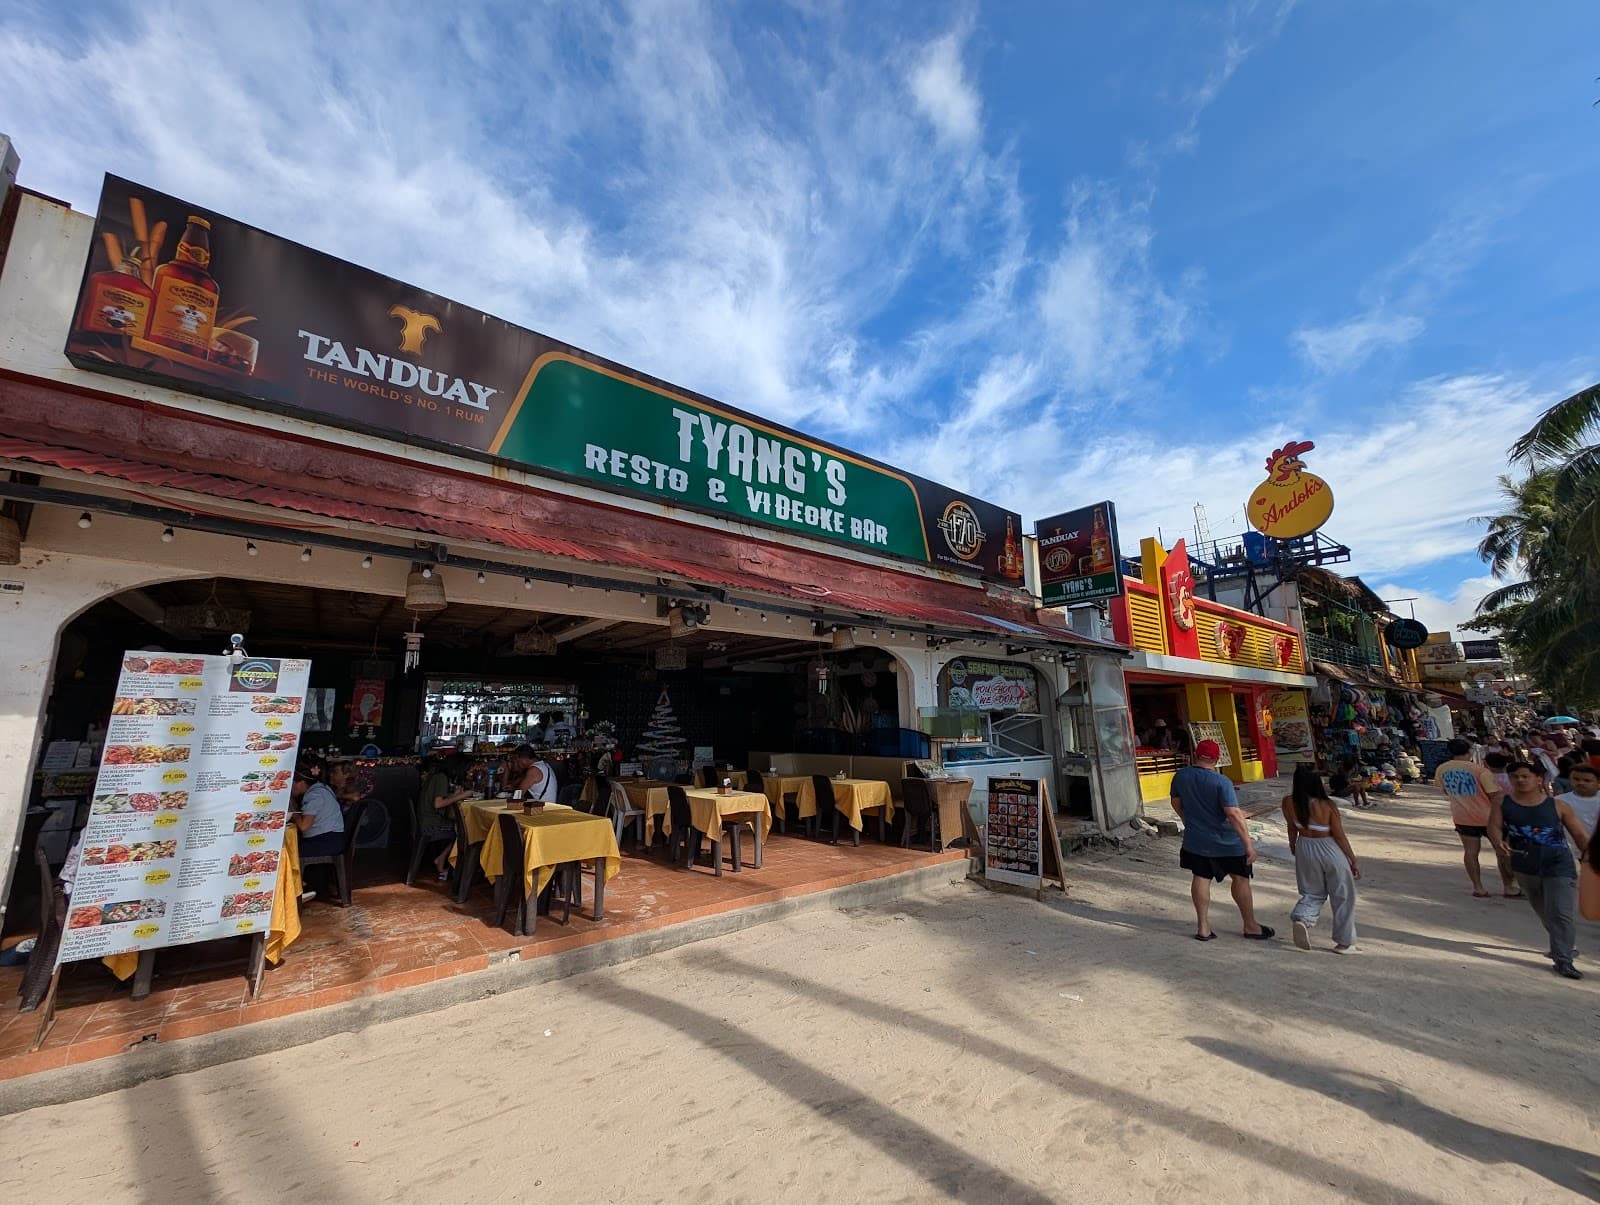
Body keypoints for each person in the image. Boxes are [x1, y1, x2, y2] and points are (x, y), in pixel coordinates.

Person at [1489, 760, 1590, 979]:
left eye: (1525, 776)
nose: (1520, 780)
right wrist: (1498, 842)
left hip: (1559, 864)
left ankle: (1563, 959)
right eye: (1515, 776)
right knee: (1545, 911)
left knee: (1561, 912)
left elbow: (1579, 835)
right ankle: (1562, 944)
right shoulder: (1502, 802)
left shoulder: (1558, 806)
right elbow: (1494, 826)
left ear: (1538, 779)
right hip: (1524, 866)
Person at [1170, 739, 1272, 942]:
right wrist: (1248, 845)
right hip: (1227, 841)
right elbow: (1233, 813)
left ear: (1195, 755)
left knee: (1201, 877)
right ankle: (1250, 925)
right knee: (1240, 878)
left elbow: (1176, 803)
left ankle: (1203, 927)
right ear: (1217, 759)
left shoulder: (1181, 776)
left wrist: (1188, 821)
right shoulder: (1221, 782)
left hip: (1197, 840)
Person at [1281, 767, 1360, 952]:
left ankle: (1303, 918)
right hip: (1328, 847)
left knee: (1311, 891)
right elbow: (1339, 835)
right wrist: (1352, 859)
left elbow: (1291, 828)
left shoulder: (1288, 802)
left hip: (1304, 846)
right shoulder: (1327, 805)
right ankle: (1344, 942)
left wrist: (1293, 846)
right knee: (1343, 894)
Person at [1436, 736, 1519, 898]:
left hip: (1462, 817)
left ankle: (1478, 887)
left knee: (1470, 852)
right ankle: (1509, 886)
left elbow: (1445, 790)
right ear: (1470, 751)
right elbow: (1495, 795)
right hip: (1489, 817)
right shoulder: (1480, 771)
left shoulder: (1442, 769)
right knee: (1502, 851)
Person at [416, 752, 473, 880]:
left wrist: (454, 795)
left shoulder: (436, 775)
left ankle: (443, 859)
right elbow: (438, 804)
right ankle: (444, 861)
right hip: (431, 824)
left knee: (463, 828)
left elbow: (438, 799)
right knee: (466, 831)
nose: (468, 772)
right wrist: (462, 796)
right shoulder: (442, 778)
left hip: (426, 819)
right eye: (467, 769)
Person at [291, 752, 345, 859]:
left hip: (325, 842)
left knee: (289, 852)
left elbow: (303, 826)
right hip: (333, 840)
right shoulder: (322, 787)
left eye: (292, 783)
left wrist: (293, 812)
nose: (291, 787)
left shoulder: (314, 795)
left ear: (301, 783)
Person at [1557, 762, 1600, 860]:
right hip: (1572, 855)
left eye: (1587, 780)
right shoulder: (1559, 801)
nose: (1581, 783)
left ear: (1598, 782)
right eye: (1576, 779)